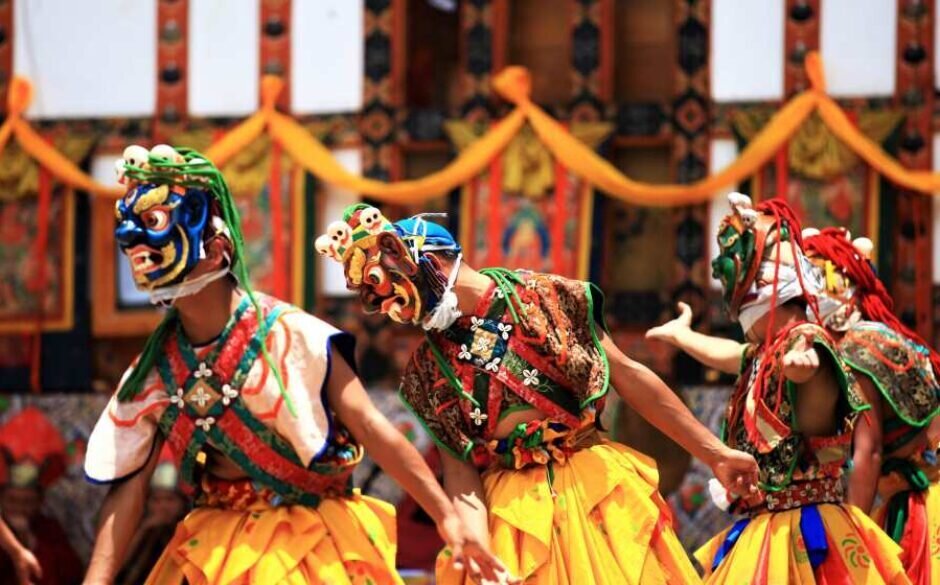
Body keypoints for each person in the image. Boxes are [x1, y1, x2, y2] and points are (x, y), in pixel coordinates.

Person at [83, 145, 507, 585]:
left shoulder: (292, 335)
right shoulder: (157, 366)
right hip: (217, 546)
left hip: (309, 543)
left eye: (155, 223)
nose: (134, 241)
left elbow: (369, 425)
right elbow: (130, 485)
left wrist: (448, 519)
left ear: (217, 245)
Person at [315, 205, 760, 584]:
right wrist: (478, 545)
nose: (392, 306)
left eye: (391, 288)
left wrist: (715, 453)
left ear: (427, 260)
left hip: (595, 489)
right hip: (514, 514)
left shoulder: (546, 297)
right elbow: (460, 470)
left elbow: (626, 375)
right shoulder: (427, 370)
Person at [646, 193, 909, 583]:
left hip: (800, 532)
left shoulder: (804, 341)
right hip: (773, 524)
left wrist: (804, 373)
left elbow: (816, 397)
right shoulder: (768, 351)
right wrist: (683, 337)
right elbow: (732, 354)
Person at [801, 227, 940, 584]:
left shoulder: (856, 347)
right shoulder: (877, 333)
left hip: (923, 499)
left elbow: (869, 452)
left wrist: (851, 536)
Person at [0, 407, 83, 585]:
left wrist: (29, 540)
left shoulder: (48, 530)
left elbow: (72, 576)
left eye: (27, 502)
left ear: (40, 502)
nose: (19, 509)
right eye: (12, 500)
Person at [115, 445, 187, 585]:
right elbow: (116, 567)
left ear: (181, 503)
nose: (162, 506)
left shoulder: (192, 528)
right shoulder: (136, 526)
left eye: (169, 500)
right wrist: (144, 530)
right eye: (156, 500)